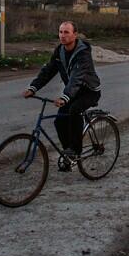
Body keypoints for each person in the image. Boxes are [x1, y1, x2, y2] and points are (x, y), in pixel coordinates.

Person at [22, 21, 101, 170]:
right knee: (59, 121)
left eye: (66, 32)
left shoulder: (83, 53)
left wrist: (65, 97)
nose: (62, 36)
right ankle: (68, 156)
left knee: (74, 110)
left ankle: (75, 151)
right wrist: (33, 87)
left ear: (74, 35)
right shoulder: (60, 51)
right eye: (60, 32)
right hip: (73, 92)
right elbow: (48, 71)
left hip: (89, 91)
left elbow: (76, 78)